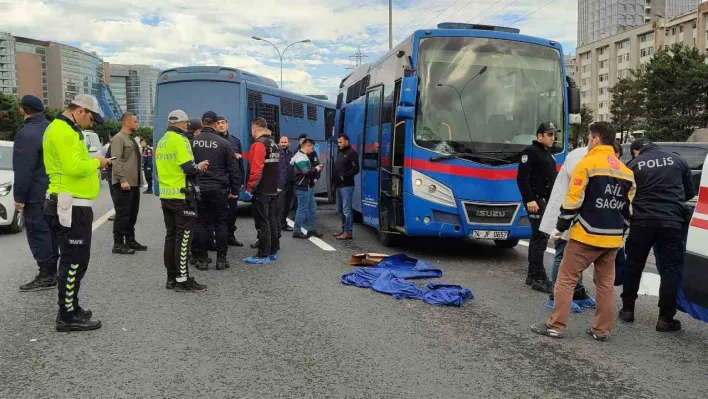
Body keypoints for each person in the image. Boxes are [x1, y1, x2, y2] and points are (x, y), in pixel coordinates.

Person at [531, 122, 635, 341]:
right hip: (612, 238)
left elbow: (573, 200)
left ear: (596, 139)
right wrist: (619, 234)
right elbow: (627, 211)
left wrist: (559, 228)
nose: (588, 142)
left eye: (589, 138)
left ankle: (555, 325)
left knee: (566, 279)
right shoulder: (626, 172)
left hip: (585, 235)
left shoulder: (587, 164)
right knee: (605, 285)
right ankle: (601, 330)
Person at [43, 94, 111, 331]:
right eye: (91, 118)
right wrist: (98, 163)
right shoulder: (62, 131)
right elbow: (74, 167)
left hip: (72, 203)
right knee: (73, 261)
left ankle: (72, 307)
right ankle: (66, 316)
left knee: (76, 260)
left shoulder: (68, 131)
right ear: (80, 111)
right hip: (70, 205)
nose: (91, 123)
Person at [620, 138, 696, 332]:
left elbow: (625, 195)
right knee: (670, 269)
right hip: (672, 221)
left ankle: (627, 310)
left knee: (634, 265)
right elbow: (688, 192)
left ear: (637, 151)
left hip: (642, 221)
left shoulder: (634, 164)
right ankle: (665, 319)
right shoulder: (677, 160)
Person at [155, 110, 209, 291]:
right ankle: (183, 279)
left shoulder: (162, 141)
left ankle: (171, 278)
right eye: (186, 124)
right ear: (182, 123)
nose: (187, 127)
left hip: (166, 194)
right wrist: (200, 167)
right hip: (182, 195)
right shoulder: (181, 140)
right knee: (184, 238)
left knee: (171, 237)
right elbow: (189, 168)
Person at [13, 95, 59, 292]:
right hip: (56, 191)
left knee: (38, 232)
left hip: (36, 194)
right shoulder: (53, 129)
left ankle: (47, 274)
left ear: (23, 110)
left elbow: (24, 169)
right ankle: (53, 271)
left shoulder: (27, 133)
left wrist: (19, 197)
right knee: (52, 232)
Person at [191, 112, 241, 271]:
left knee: (201, 223)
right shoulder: (224, 143)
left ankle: (203, 259)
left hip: (199, 188)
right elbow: (234, 169)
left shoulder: (193, 142)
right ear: (214, 124)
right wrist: (234, 189)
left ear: (202, 123)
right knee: (220, 223)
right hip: (219, 188)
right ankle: (221, 259)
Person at [516, 122, 559, 294]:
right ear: (539, 136)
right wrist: (530, 200)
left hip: (545, 200)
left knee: (539, 237)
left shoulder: (547, 153)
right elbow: (522, 178)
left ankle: (532, 275)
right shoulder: (530, 152)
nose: (552, 138)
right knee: (539, 238)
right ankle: (538, 278)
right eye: (549, 135)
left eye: (553, 135)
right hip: (536, 201)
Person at [244, 118, 281, 264]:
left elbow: (256, 169)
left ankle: (262, 253)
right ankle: (272, 251)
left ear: (254, 128)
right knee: (271, 220)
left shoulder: (258, 144)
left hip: (261, 189)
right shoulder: (274, 144)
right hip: (272, 189)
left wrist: (250, 187)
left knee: (262, 223)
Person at [110, 112, 146, 255]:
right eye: (135, 121)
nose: (137, 124)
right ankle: (118, 243)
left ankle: (130, 240)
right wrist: (122, 179)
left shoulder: (130, 139)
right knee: (122, 214)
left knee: (132, 213)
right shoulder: (119, 138)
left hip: (134, 182)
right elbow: (116, 160)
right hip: (123, 183)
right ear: (126, 122)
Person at [216, 115, 245, 247]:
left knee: (232, 212)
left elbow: (240, 164)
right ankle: (217, 239)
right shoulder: (214, 141)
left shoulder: (235, 141)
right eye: (218, 123)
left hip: (232, 181)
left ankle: (230, 236)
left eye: (223, 122)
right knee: (218, 213)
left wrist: (240, 181)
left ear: (227, 124)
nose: (221, 125)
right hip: (219, 182)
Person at [291, 138, 324, 239]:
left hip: (308, 186)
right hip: (302, 187)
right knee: (302, 209)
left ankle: (311, 229)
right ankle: (296, 231)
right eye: (312, 148)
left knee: (312, 208)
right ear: (307, 146)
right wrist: (316, 169)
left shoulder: (303, 156)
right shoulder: (300, 157)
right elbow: (306, 172)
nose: (312, 150)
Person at [332, 133, 359, 240]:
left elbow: (356, 169)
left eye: (340, 142)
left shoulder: (352, 153)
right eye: (338, 142)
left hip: (346, 186)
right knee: (340, 209)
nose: (339, 144)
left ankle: (348, 232)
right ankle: (343, 230)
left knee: (346, 210)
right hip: (338, 185)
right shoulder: (341, 152)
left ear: (346, 141)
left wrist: (345, 176)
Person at [279, 136, 295, 232]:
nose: (283, 144)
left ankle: (283, 223)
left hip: (290, 183)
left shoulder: (291, 153)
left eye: (285, 142)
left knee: (287, 205)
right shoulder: (277, 153)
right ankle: (280, 224)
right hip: (281, 184)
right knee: (281, 205)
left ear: (289, 143)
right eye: (282, 142)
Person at [105, 131, 117, 222]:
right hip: (115, 174)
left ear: (110, 136)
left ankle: (118, 213)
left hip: (113, 174)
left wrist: (105, 161)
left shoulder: (113, 145)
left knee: (115, 195)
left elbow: (113, 159)